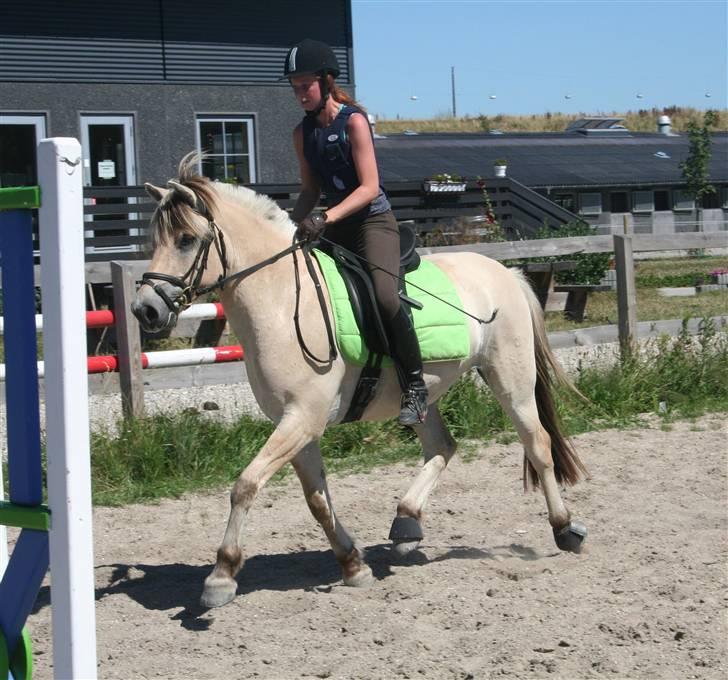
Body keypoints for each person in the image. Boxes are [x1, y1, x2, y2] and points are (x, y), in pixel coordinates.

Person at [284, 38, 428, 425]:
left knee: (384, 296)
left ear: (326, 82)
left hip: (372, 223)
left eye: (305, 86)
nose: (299, 94)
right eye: (294, 87)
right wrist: (287, 225)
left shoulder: (354, 121)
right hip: (334, 226)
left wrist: (325, 218)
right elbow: (310, 189)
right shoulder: (302, 134)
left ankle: (415, 386)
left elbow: (368, 187)